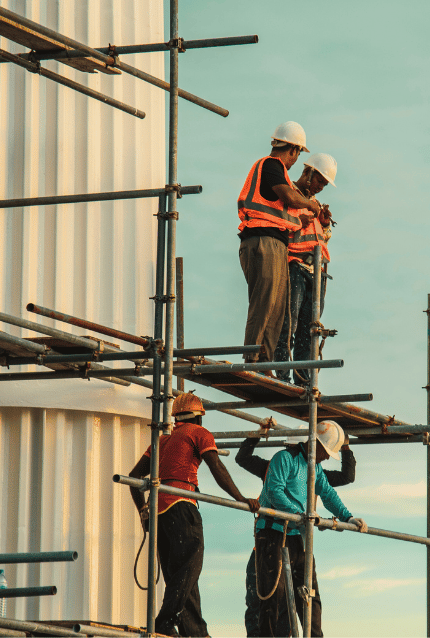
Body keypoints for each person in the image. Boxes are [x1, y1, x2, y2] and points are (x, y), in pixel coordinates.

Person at [128, 393, 261, 637]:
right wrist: (240, 498)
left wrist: (143, 512)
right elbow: (216, 466)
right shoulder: (199, 433)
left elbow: (134, 479)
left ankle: (195, 632)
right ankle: (165, 622)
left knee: (180, 575)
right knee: (190, 567)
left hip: (159, 511)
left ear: (176, 417)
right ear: (199, 417)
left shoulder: (162, 441)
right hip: (181, 504)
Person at [237, 422, 356, 636]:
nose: (328, 457)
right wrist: (299, 515)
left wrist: (348, 517)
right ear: (315, 443)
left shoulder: (315, 468)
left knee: (310, 595)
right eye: (327, 451)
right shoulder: (284, 459)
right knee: (273, 596)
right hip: (273, 534)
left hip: (296, 536)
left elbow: (328, 493)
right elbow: (274, 491)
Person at [238, 122, 323, 374]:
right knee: (264, 303)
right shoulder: (271, 165)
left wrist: (300, 220)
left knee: (276, 308)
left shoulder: (277, 172)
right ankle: (252, 360)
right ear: (294, 150)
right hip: (261, 242)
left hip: (274, 243)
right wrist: (311, 204)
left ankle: (265, 363)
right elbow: (289, 197)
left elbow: (280, 212)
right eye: (298, 154)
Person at [275, 153, 337, 385]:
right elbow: (280, 225)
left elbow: (322, 239)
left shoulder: (314, 204)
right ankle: (281, 375)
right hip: (295, 267)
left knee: (308, 331)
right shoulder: (288, 194)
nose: (321, 187)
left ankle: (302, 380)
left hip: (316, 272)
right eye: (319, 180)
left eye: (324, 183)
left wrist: (326, 224)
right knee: (287, 323)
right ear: (308, 172)